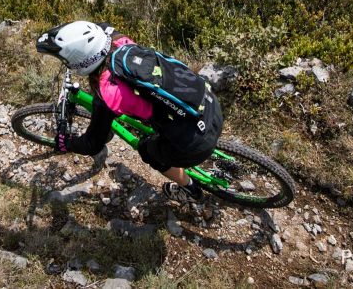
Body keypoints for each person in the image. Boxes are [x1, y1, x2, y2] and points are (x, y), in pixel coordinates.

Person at [36, 20, 224, 203]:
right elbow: (101, 27)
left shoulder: (108, 94)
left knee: (147, 150)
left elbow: (92, 145)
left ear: (80, 62)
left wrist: (66, 143)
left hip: (196, 144)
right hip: (210, 104)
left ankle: (190, 190)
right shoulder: (120, 42)